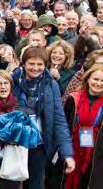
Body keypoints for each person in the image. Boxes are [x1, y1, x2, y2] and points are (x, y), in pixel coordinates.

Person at [10, 47, 75, 189]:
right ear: (23, 64)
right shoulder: (11, 82)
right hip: (14, 143)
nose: (35, 68)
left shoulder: (51, 85)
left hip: (39, 145)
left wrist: (67, 153)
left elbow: (59, 119)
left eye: (40, 64)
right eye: (31, 64)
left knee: (35, 184)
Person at [62, 65, 103, 188]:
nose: (98, 83)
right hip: (73, 150)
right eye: (95, 79)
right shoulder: (73, 99)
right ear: (88, 79)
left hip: (98, 156)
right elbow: (64, 125)